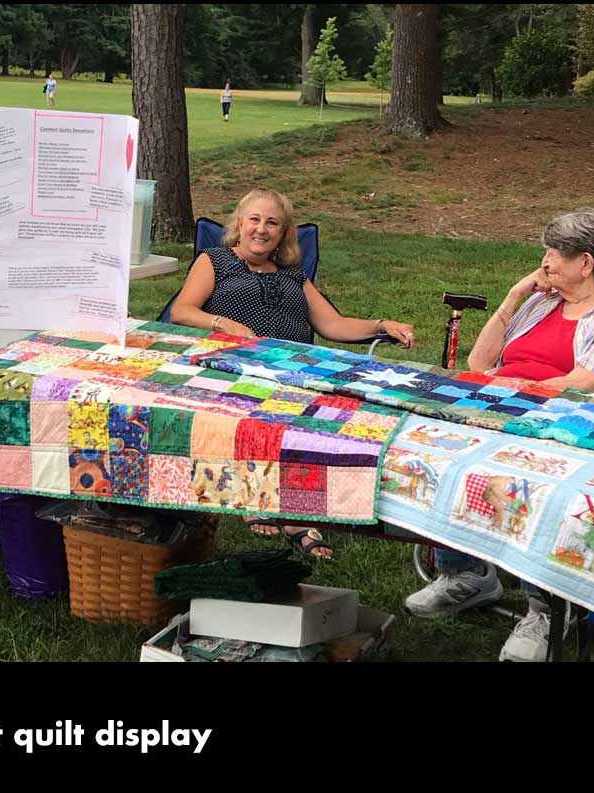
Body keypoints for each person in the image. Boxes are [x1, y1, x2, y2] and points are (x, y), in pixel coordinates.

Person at [401, 209, 594, 662]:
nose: (544, 262)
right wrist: (514, 295)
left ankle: (545, 609)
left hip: (568, 423)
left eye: (553, 254)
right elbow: (479, 364)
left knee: (535, 484)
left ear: (585, 263)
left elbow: (588, 384)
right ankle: (467, 574)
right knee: (434, 453)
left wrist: (511, 394)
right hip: (504, 409)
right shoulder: (543, 303)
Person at [170, 188, 418, 559]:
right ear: (239, 224)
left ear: (283, 233)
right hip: (239, 367)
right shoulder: (216, 260)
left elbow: (333, 324)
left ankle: (295, 514)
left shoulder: (293, 274)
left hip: (296, 371)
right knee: (258, 415)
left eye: (272, 223)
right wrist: (226, 325)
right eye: (254, 220)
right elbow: (183, 310)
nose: (261, 229)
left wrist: (383, 325)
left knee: (322, 419)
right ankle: (257, 498)